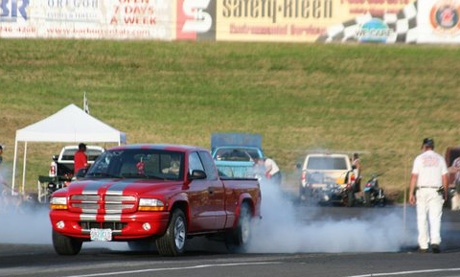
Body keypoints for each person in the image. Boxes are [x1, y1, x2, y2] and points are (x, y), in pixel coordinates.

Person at [409, 138, 448, 253]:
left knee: (422, 218)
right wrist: (444, 192)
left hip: (422, 189)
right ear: (433, 146)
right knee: (435, 217)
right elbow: (444, 178)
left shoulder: (419, 159)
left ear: (424, 146)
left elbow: (414, 177)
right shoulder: (440, 159)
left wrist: (411, 193)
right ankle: (435, 242)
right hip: (436, 189)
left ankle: (424, 245)